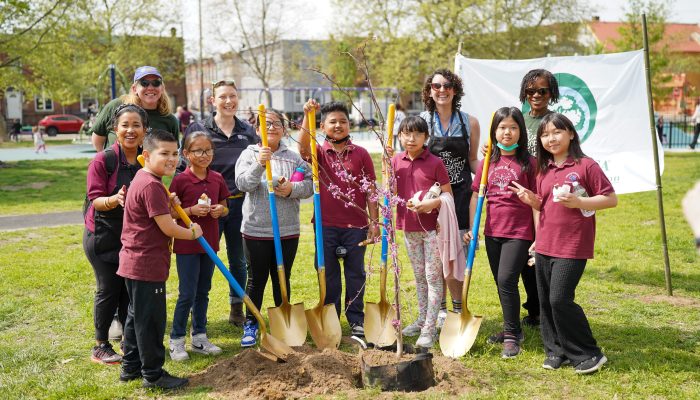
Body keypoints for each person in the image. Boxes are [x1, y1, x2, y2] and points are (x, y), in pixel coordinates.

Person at [512, 113, 617, 375]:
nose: (551, 138)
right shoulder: (543, 170)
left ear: (570, 133)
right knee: (546, 301)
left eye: (557, 132)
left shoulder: (586, 166)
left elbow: (610, 199)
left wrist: (580, 202)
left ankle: (589, 353)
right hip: (545, 243)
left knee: (560, 299)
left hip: (572, 245)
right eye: (545, 135)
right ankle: (556, 351)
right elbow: (542, 205)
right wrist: (531, 201)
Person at [117, 129, 202, 390]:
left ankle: (130, 366)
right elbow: (167, 227)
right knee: (151, 321)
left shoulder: (145, 179)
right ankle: (153, 375)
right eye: (164, 153)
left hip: (134, 261)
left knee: (136, 317)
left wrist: (168, 200)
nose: (172, 159)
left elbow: (154, 214)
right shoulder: (152, 185)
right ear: (146, 155)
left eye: (175, 153)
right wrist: (191, 233)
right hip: (146, 264)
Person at [299, 100, 380, 337]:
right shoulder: (319, 152)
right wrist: (307, 115)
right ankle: (331, 316)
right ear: (322, 126)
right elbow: (302, 148)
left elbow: (371, 190)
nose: (338, 125)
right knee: (328, 272)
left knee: (356, 273)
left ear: (349, 125)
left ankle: (356, 319)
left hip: (356, 225)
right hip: (326, 225)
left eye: (343, 121)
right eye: (332, 121)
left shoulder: (361, 154)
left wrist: (374, 222)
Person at [235, 109, 312, 346]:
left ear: (284, 129)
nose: (271, 128)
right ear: (257, 129)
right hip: (257, 229)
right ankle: (251, 323)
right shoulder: (249, 154)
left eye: (277, 123)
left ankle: (283, 322)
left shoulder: (293, 158)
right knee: (256, 280)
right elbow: (243, 184)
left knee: (282, 277)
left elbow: (309, 185)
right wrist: (260, 163)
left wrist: (291, 190)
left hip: (287, 230)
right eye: (265, 124)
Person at [183, 79, 257, 327]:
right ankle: (196, 308)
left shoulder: (247, 131)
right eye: (223, 96)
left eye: (233, 96)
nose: (229, 101)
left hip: (238, 205)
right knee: (204, 257)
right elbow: (187, 169)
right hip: (207, 207)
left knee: (238, 260)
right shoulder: (199, 129)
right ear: (212, 101)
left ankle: (237, 307)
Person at [465, 107, 537, 358]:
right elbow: (476, 195)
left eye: (513, 127)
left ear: (521, 131)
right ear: (494, 131)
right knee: (501, 282)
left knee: (507, 280)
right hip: (493, 231)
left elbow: (539, 200)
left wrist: (538, 234)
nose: (507, 132)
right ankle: (514, 329)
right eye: (502, 127)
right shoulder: (487, 162)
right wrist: (474, 226)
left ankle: (510, 335)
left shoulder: (529, 163)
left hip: (519, 232)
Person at [83, 104, 148, 364]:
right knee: (108, 288)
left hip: (131, 236)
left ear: (145, 130)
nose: (130, 130)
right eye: (125, 125)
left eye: (136, 125)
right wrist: (115, 199)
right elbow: (95, 200)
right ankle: (100, 345)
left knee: (127, 291)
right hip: (102, 235)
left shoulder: (147, 158)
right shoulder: (103, 160)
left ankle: (129, 345)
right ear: (114, 129)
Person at [419, 68, 480, 327]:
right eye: (436, 86)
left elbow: (473, 160)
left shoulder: (470, 122)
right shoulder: (422, 121)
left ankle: (458, 308)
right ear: (429, 91)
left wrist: (489, 177)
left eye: (447, 86)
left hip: (461, 198)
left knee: (457, 255)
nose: (441, 90)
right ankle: (440, 310)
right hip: (431, 200)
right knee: (436, 257)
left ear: (455, 90)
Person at [168, 131, 230, 361]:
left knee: (203, 292)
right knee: (187, 293)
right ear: (186, 154)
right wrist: (192, 211)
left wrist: (219, 210)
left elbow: (225, 206)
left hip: (210, 243)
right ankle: (176, 340)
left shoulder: (217, 178)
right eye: (198, 151)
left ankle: (200, 337)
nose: (204, 155)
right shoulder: (180, 180)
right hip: (187, 245)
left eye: (208, 150)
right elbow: (172, 212)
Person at [392, 116, 451, 348]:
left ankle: (429, 328)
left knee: (433, 278)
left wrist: (430, 205)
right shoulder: (395, 161)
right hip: (409, 229)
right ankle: (421, 319)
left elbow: (447, 195)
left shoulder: (435, 163)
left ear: (426, 137)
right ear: (400, 137)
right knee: (419, 278)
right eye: (406, 134)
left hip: (432, 230)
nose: (411, 138)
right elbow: (389, 189)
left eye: (417, 134)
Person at [90, 66, 179, 151]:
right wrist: (104, 161)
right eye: (144, 83)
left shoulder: (170, 120)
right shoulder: (116, 106)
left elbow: (173, 151)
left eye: (156, 83)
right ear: (134, 88)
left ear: (162, 88)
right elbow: (98, 138)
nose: (151, 88)